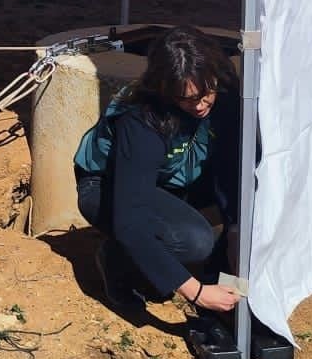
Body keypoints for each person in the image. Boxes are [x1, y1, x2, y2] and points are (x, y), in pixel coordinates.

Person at [73, 25, 243, 321]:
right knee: (193, 240)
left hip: (174, 176)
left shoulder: (223, 88)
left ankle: (217, 269)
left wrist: (234, 229)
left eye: (206, 94)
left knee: (252, 187)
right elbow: (129, 217)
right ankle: (115, 261)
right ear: (165, 90)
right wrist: (197, 292)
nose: (201, 105)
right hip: (107, 186)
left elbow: (229, 163)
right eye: (188, 99)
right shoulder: (140, 118)